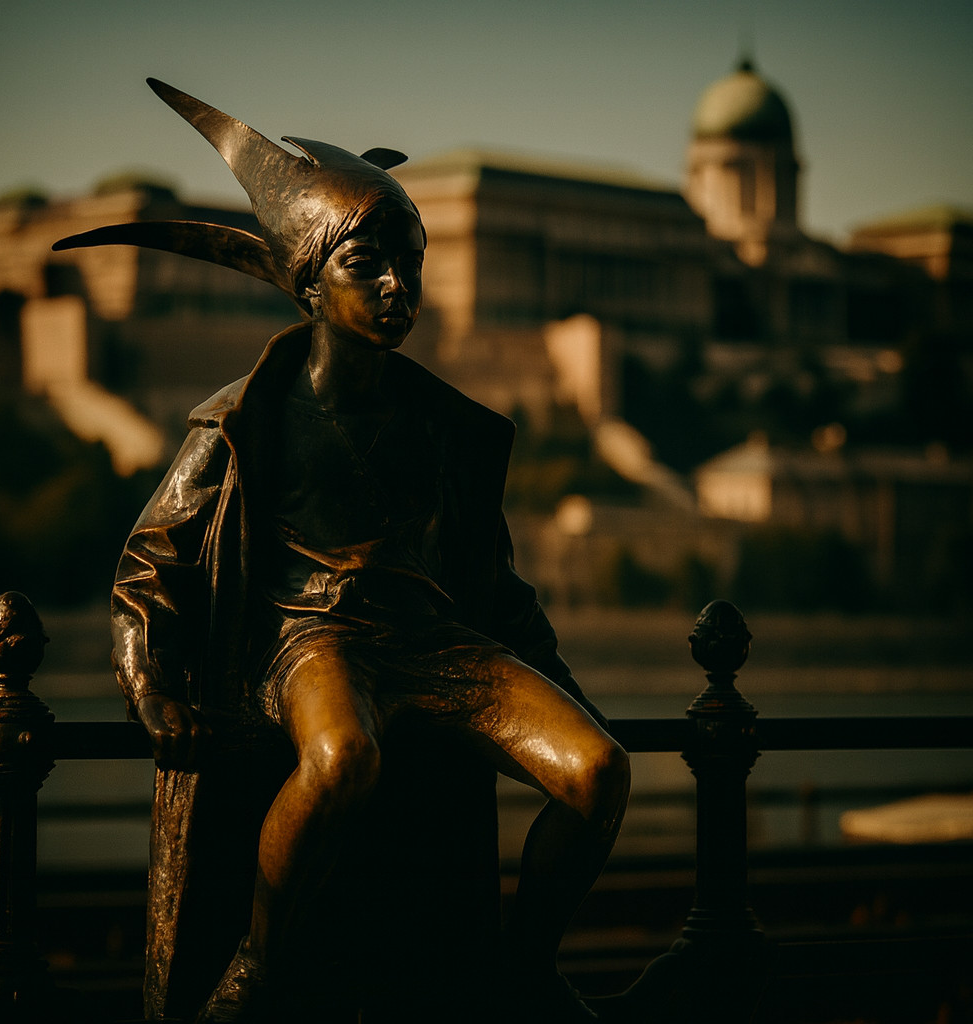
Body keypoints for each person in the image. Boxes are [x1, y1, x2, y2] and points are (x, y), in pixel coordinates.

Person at [55, 79, 629, 1023]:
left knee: (601, 773)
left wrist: (563, 688)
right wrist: (148, 684)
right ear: (312, 283)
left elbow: (497, 582)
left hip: (437, 645)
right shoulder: (248, 418)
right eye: (371, 265)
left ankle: (522, 970)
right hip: (313, 641)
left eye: (411, 261)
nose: (399, 286)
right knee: (340, 760)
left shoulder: (444, 429)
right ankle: (260, 964)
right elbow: (151, 561)